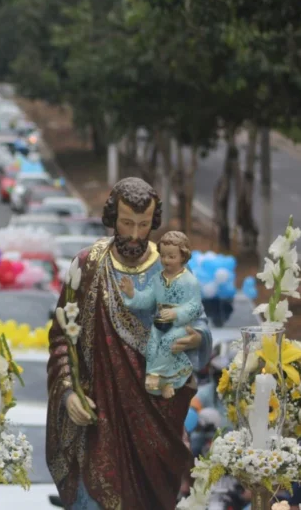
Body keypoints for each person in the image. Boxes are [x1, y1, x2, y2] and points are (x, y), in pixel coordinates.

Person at [46, 177, 212, 509]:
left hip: (155, 418)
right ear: (112, 218)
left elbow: (198, 324)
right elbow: (62, 337)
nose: (135, 234)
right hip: (98, 425)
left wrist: (196, 339)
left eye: (144, 224)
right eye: (127, 223)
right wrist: (68, 392)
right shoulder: (88, 266)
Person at [120, 231, 202, 399]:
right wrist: (132, 293)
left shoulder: (189, 281)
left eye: (171, 257)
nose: (166, 260)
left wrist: (176, 313)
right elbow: (146, 299)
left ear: (183, 256)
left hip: (180, 326)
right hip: (160, 323)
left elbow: (195, 306)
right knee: (151, 348)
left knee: (167, 343)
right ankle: (166, 382)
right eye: (163, 256)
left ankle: (156, 378)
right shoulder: (157, 279)